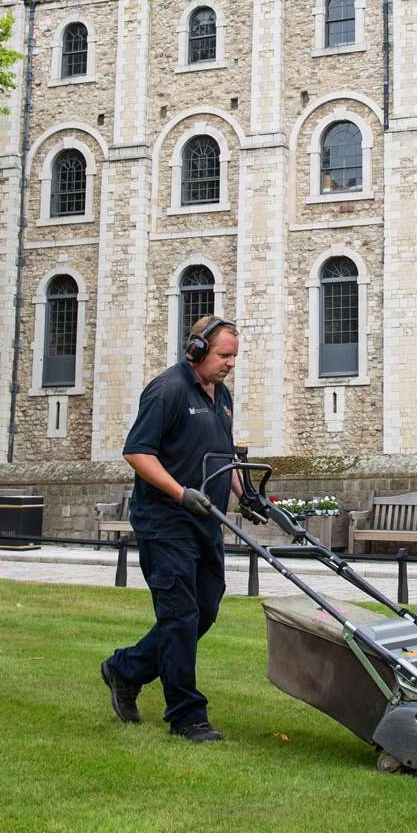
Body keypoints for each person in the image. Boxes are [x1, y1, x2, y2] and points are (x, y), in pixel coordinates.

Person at [100, 315, 257, 742]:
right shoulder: (167, 390)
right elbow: (137, 453)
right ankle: (187, 716)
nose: (229, 364)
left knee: (203, 610)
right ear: (197, 350)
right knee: (179, 616)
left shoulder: (220, 396)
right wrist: (178, 491)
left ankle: (125, 669)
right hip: (166, 523)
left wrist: (245, 494)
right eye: (223, 355)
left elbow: (222, 453)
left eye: (233, 357)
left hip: (205, 522)